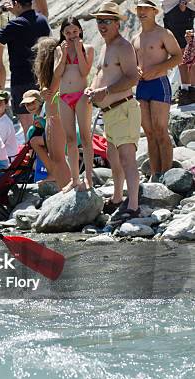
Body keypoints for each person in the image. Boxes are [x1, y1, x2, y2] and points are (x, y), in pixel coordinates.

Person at [86, 1, 141, 222]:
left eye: (106, 21)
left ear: (117, 23)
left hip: (123, 108)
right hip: (109, 112)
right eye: (99, 21)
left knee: (127, 158)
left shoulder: (124, 46)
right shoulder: (106, 46)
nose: (101, 25)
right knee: (113, 158)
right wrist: (93, 88)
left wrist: (105, 90)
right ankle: (118, 198)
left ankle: (134, 205)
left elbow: (132, 77)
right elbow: (103, 74)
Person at [133, 0, 182, 182]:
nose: (142, 11)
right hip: (142, 87)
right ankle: (155, 173)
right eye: (139, 8)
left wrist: (158, 68)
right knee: (149, 131)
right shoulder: (135, 38)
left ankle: (168, 174)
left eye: (146, 8)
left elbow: (178, 57)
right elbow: (133, 63)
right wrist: (135, 70)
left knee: (160, 129)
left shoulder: (163, 33)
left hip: (159, 83)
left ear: (154, 11)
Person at [0, 0, 51, 133]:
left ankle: (35, 152)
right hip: (43, 76)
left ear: (17, 4)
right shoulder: (42, 20)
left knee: (29, 128)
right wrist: (16, 12)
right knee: (46, 121)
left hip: (22, 80)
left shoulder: (16, 24)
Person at [54, 17, 95, 191]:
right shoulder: (59, 50)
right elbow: (58, 74)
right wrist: (63, 56)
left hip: (81, 95)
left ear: (80, 31)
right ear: (63, 34)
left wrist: (78, 50)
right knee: (70, 139)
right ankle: (74, 178)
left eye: (74, 32)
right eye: (68, 32)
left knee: (85, 138)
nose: (71, 35)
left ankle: (88, 179)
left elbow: (85, 72)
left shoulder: (88, 48)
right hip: (64, 97)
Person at [33, 37, 71, 189]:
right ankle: (65, 187)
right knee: (56, 158)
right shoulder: (51, 78)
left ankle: (67, 188)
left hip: (57, 117)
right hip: (53, 116)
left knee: (58, 158)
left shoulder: (56, 74)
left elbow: (53, 89)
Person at [163, 0, 195, 105]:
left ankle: (188, 90)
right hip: (174, 10)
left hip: (178, 10)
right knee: (184, 53)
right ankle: (187, 90)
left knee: (186, 52)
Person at [20, 89, 53, 182]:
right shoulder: (37, 114)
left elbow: (53, 126)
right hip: (52, 137)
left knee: (34, 141)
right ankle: (45, 170)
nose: (30, 107)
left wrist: (42, 123)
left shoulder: (47, 109)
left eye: (32, 103)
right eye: (27, 104)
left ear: (40, 101)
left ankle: (52, 173)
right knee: (32, 135)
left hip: (61, 137)